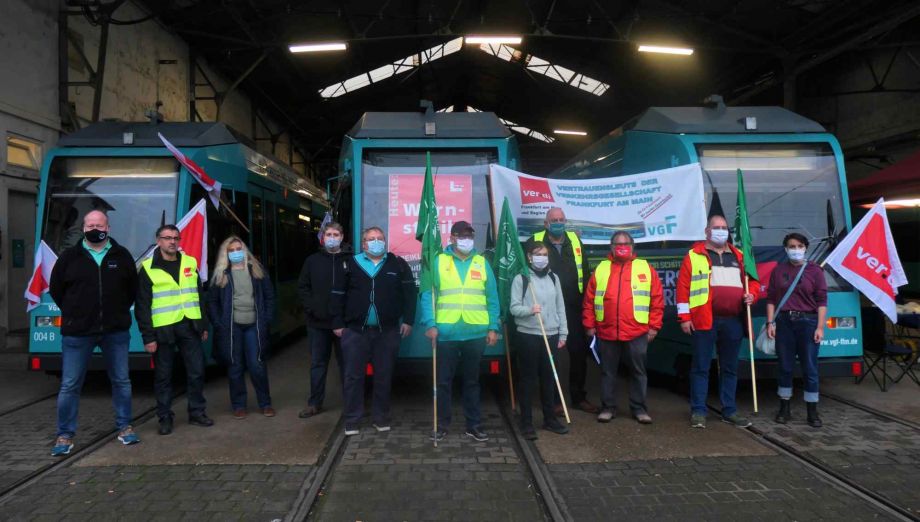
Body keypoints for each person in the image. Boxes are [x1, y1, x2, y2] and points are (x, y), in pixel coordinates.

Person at [48, 210, 139, 456]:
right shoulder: (69, 257)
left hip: (115, 331)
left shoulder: (122, 256)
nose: (94, 228)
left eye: (99, 224)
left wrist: (116, 312)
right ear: (83, 228)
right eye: (90, 224)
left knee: (121, 381)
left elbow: (132, 289)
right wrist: (75, 312)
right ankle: (65, 435)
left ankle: (125, 427)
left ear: (108, 228)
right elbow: (57, 290)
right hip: (78, 333)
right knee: (70, 384)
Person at [330, 227, 416, 436]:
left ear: (385, 241)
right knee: (353, 377)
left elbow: (410, 293)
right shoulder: (350, 264)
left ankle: (381, 417)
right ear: (364, 244)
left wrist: (409, 320)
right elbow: (337, 295)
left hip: (387, 331)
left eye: (380, 238)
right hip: (354, 332)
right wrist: (338, 323)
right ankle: (352, 419)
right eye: (371, 239)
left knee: (384, 376)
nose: (376, 242)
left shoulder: (397, 264)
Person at [677, 215, 760, 429]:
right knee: (701, 367)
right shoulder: (693, 256)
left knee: (730, 368)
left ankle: (729, 411)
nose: (721, 231)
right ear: (707, 231)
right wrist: (684, 318)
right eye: (717, 227)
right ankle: (698, 412)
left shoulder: (740, 256)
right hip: (704, 320)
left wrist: (753, 295)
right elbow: (682, 290)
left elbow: (753, 283)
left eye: (724, 227)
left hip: (733, 320)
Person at [419, 221, 500, 442]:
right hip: (446, 333)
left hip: (475, 333)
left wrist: (494, 327)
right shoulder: (438, 261)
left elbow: (492, 298)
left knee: (472, 382)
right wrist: (430, 324)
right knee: (443, 382)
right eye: (462, 236)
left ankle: (473, 425)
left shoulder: (482, 263)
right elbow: (428, 295)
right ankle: (442, 425)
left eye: (470, 236)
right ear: (452, 237)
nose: (466, 240)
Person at [135, 224, 212, 435]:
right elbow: (142, 306)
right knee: (164, 376)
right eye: (167, 238)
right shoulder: (148, 269)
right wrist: (147, 336)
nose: (172, 242)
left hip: (190, 326)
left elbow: (199, 295)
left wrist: (203, 324)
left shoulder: (190, 262)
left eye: (176, 238)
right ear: (158, 241)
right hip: (163, 329)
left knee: (196, 371)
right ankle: (165, 418)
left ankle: (196, 412)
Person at [583, 231, 664, 424]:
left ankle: (639, 409)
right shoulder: (602, 268)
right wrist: (589, 324)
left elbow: (657, 300)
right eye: (618, 243)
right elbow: (589, 300)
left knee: (638, 372)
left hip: (637, 331)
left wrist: (654, 327)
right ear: (611, 247)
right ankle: (608, 407)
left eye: (626, 243)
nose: (622, 246)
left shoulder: (645, 268)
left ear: (633, 246)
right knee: (608, 372)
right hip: (607, 330)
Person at [531, 207, 598, 414]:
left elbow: (585, 272)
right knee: (551, 355)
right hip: (547, 307)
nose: (558, 223)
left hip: (574, 306)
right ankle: (553, 400)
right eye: (554, 220)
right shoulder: (535, 240)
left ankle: (578, 397)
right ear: (546, 223)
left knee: (578, 353)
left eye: (561, 219)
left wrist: (588, 306)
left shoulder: (575, 240)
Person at [207, 236, 276, 419]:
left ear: (244, 250)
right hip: (231, 328)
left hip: (254, 326)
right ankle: (239, 405)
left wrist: (267, 319)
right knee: (235, 367)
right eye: (231, 250)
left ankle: (265, 403)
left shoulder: (257, 271)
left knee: (256, 365)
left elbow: (269, 297)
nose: (236, 252)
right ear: (226, 254)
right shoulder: (221, 274)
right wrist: (218, 322)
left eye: (239, 248)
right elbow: (212, 302)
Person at [766, 233, 827, 428]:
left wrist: (820, 327)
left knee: (810, 368)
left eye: (799, 246)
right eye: (791, 246)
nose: (796, 249)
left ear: (805, 248)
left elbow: (822, 301)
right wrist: (770, 323)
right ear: (785, 249)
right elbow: (771, 299)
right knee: (785, 367)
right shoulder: (778, 270)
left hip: (808, 323)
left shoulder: (815, 271)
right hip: (784, 323)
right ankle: (784, 408)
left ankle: (812, 411)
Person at [509, 241, 570, 440]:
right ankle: (526, 422)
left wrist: (563, 333)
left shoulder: (554, 278)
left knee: (549, 378)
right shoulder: (522, 279)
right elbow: (514, 308)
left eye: (544, 254)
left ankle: (550, 419)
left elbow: (560, 306)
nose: (542, 257)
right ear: (529, 257)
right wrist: (529, 310)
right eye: (537, 254)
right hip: (528, 335)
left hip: (551, 335)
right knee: (527, 380)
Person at [297, 222, 350, 419]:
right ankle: (314, 403)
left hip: (343, 325)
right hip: (317, 324)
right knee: (318, 364)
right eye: (328, 234)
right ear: (323, 237)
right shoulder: (312, 261)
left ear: (342, 236)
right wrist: (313, 309)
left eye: (336, 234)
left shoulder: (350, 261)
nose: (332, 237)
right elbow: (303, 288)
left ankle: (350, 404)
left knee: (346, 365)